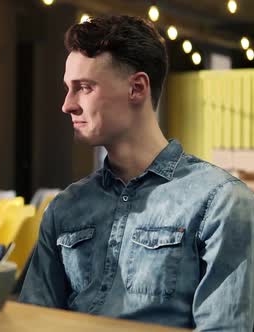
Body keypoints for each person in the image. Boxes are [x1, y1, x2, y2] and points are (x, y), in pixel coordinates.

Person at [19, 15, 254, 330]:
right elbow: (32, 322)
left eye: (84, 88)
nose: (67, 105)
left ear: (137, 88)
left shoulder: (222, 203)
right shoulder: (65, 208)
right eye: (67, 89)